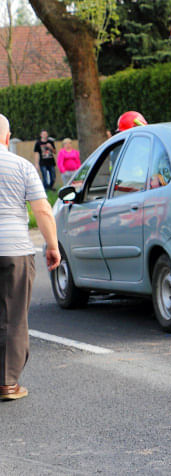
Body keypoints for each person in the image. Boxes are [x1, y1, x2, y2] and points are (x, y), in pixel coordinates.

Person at [0, 114, 61, 401]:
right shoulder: (22, 166)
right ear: (7, 137)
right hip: (15, 250)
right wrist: (52, 246)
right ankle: (8, 383)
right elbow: (43, 210)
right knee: (14, 317)